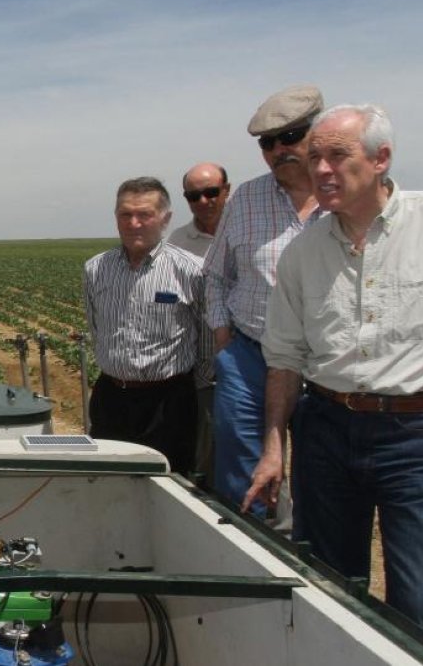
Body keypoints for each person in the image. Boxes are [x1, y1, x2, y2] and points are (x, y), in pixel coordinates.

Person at [245, 105, 423, 634]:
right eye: (315, 158)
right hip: (327, 429)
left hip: (420, 435)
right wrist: (274, 448)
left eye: (337, 155)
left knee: (422, 600)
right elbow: (285, 358)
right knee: (329, 589)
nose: (322, 170)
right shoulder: (301, 254)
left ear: (381, 158)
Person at [203, 84, 323, 516]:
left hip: (322, 365)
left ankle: (306, 550)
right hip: (249, 356)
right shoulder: (246, 199)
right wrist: (223, 338)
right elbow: (216, 274)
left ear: (316, 134)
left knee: (321, 476)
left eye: (290, 137)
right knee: (242, 478)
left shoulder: (342, 198)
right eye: (267, 143)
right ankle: (248, 547)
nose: (278, 150)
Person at [82, 177, 205, 474]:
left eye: (144, 215)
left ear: (165, 219)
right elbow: (96, 328)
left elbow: (208, 341)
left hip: (168, 402)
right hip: (111, 397)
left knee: (169, 481)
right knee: (108, 480)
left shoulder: (190, 270)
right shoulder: (96, 268)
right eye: (125, 214)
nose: (133, 223)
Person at [169, 162, 230, 486]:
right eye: (194, 196)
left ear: (226, 190)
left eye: (211, 192)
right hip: (203, 368)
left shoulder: (246, 229)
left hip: (254, 359)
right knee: (205, 451)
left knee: (257, 447)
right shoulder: (178, 241)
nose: (203, 201)